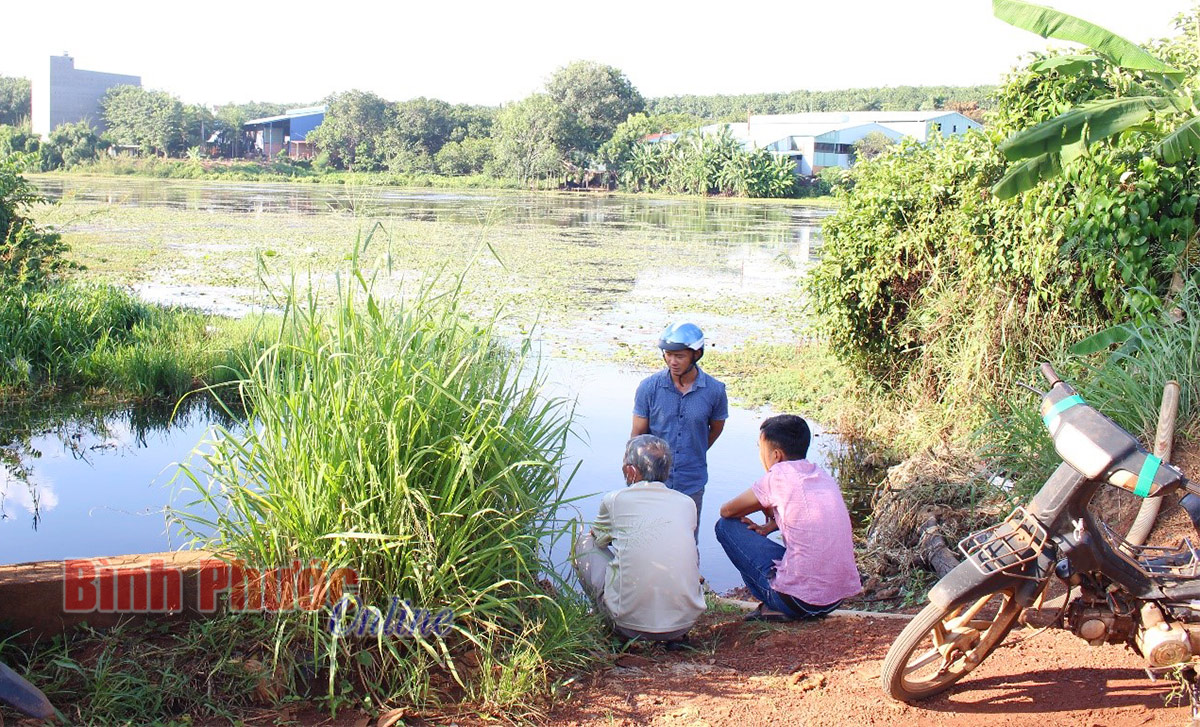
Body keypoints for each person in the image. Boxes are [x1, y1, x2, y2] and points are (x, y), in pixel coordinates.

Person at [715, 414, 861, 621]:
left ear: (776, 455)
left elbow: (727, 511)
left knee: (725, 526)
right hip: (835, 598)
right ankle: (785, 598)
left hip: (798, 602)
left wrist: (763, 505)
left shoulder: (778, 477)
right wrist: (771, 525)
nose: (760, 455)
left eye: (760, 448)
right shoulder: (821, 475)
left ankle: (773, 604)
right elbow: (811, 518)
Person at [572, 435, 706, 641]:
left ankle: (609, 624)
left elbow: (597, 539)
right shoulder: (687, 503)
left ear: (631, 472)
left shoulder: (615, 499)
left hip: (629, 625)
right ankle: (673, 634)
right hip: (684, 623)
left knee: (583, 543)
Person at [631, 322, 728, 531]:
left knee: (687, 540)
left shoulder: (715, 391)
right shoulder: (649, 388)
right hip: (652, 481)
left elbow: (716, 428)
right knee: (648, 536)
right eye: (668, 355)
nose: (672, 362)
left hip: (691, 481)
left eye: (680, 356)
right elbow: (637, 435)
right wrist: (634, 476)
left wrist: (694, 449)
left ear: (697, 354)